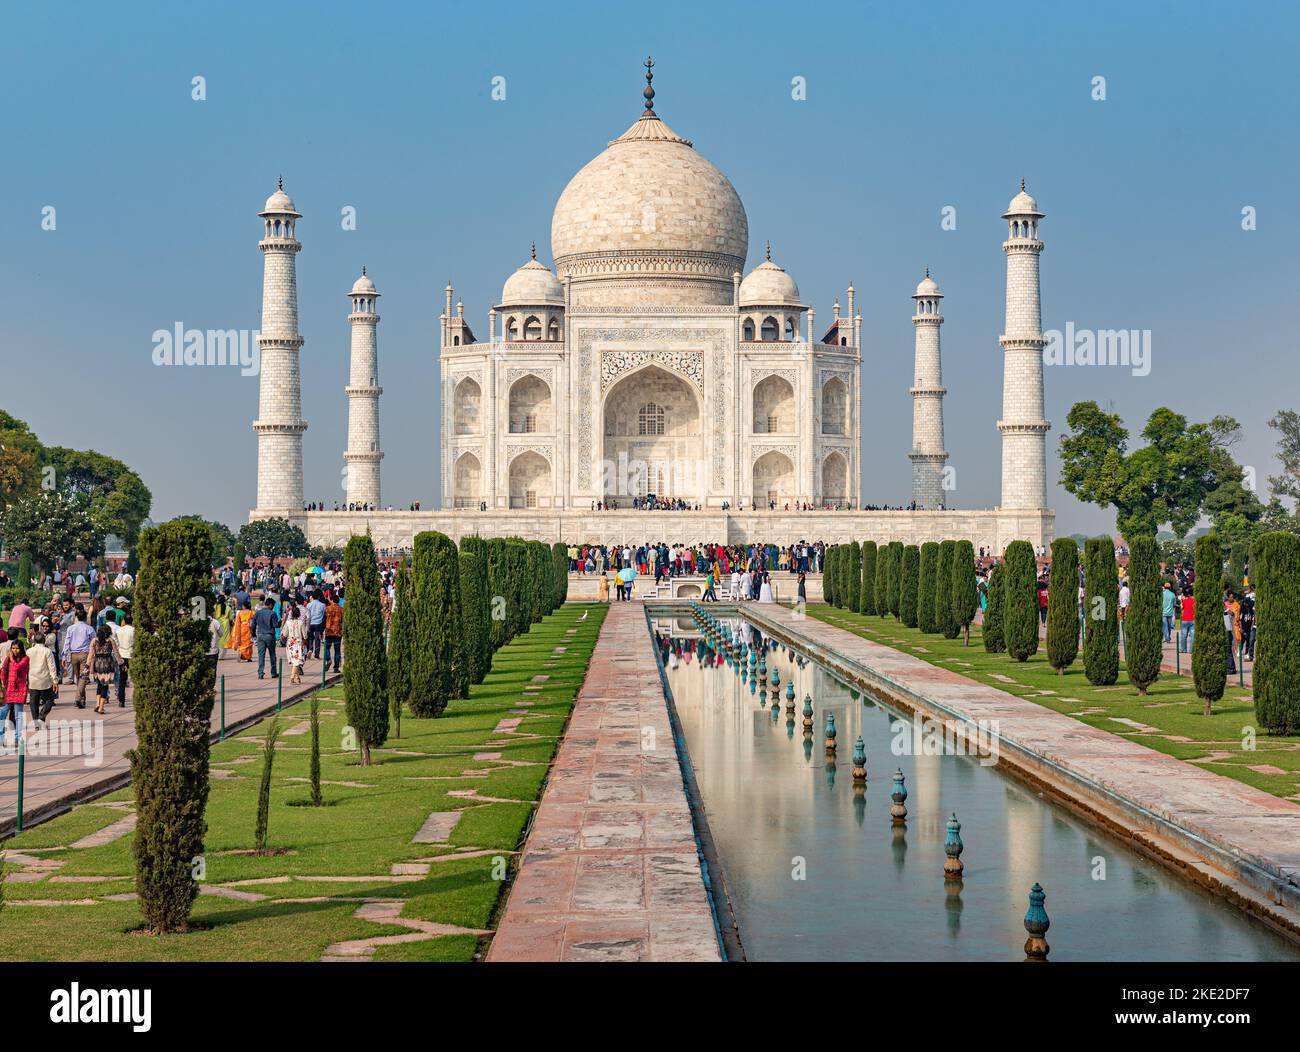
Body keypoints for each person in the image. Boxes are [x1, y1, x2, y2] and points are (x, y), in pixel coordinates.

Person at [62, 606, 95, 709]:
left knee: (79, 678)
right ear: (85, 618)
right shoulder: (89, 628)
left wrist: (64, 656)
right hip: (85, 654)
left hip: (73, 655)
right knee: (83, 677)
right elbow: (94, 641)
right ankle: (78, 698)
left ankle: (82, 699)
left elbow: (67, 642)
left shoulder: (71, 628)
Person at [25, 630, 58, 724]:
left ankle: (36, 722)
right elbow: (52, 666)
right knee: (50, 700)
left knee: (33, 702)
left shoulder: (29, 651)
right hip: (45, 681)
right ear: (44, 640)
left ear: (34, 641)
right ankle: (41, 716)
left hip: (32, 680)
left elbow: (26, 666)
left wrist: (26, 680)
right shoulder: (47, 651)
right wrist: (55, 680)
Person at [87, 624, 121, 716]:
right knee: (105, 685)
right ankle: (101, 707)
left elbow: (90, 654)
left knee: (99, 684)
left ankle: (97, 704)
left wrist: (87, 665)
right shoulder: (110, 640)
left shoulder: (94, 640)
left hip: (97, 664)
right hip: (107, 663)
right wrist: (121, 663)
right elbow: (116, 653)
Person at [1, 638, 30, 743]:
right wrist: (3, 683)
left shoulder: (25, 659)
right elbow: (3, 670)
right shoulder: (8, 659)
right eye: (13, 648)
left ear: (21, 649)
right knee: (2, 713)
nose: (15, 650)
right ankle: (1, 737)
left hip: (19, 689)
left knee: (18, 716)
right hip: (8, 689)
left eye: (17, 648)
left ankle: (18, 738)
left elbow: (16, 667)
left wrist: (12, 658)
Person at [253, 597, 280, 679]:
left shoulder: (258, 613)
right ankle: (273, 672)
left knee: (261, 655)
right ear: (271, 605)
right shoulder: (272, 613)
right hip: (269, 635)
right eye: (273, 605)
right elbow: (276, 625)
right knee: (272, 655)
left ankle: (260, 673)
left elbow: (253, 624)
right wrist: (282, 621)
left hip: (260, 635)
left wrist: (253, 634)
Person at [115, 614, 135, 707]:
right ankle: (135, 699)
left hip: (122, 656)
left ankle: (121, 700)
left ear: (124, 621)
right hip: (131, 655)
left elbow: (116, 643)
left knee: (122, 679)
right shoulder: (134, 630)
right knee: (134, 679)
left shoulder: (118, 630)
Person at [322, 594, 343, 672]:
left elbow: (323, 620)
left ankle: (328, 660)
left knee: (327, 648)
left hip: (329, 631)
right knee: (337, 650)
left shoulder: (327, 609)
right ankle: (336, 667)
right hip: (338, 632)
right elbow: (343, 621)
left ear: (332, 600)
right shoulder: (342, 609)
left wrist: (321, 631)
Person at [1179, 587, 1195, 654]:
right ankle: (1191, 650)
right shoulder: (1194, 600)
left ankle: (1183, 649)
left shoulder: (1184, 600)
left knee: (1183, 635)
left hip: (1185, 619)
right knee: (1192, 636)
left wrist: (1182, 599)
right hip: (1192, 620)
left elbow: (1181, 608)